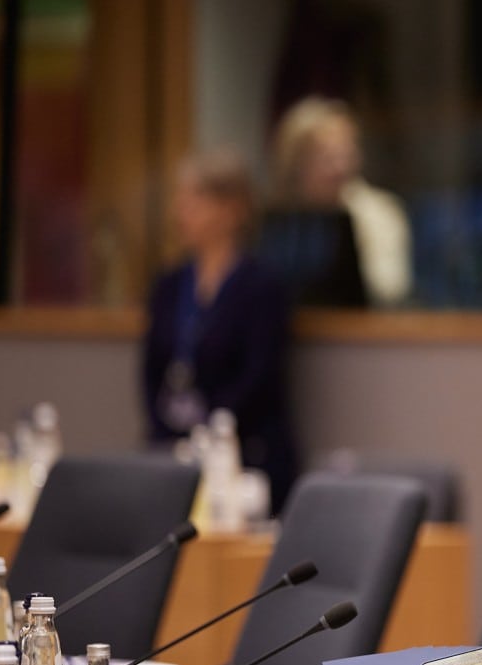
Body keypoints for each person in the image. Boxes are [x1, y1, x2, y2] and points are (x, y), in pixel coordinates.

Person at [142, 149, 299, 513]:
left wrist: (209, 432)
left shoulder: (262, 286)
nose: (181, 211)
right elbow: (151, 370)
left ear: (231, 209)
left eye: (194, 200)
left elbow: (259, 375)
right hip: (173, 447)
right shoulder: (169, 285)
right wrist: (168, 433)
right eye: (180, 199)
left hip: (246, 453)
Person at [271, 96, 412, 307]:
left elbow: (390, 290)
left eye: (346, 155)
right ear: (295, 162)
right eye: (327, 157)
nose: (340, 168)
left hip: (357, 326)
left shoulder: (379, 214)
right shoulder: (275, 218)